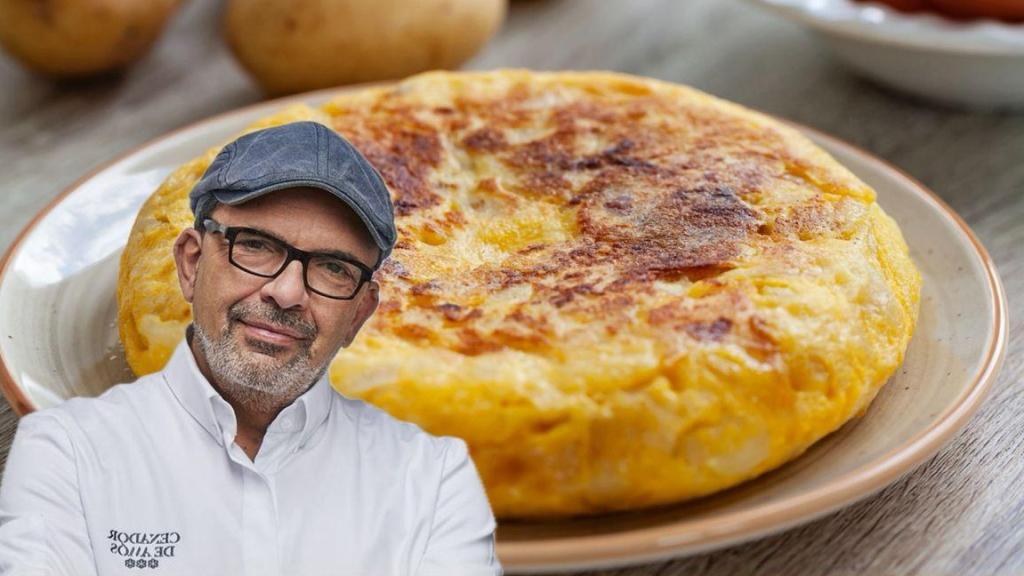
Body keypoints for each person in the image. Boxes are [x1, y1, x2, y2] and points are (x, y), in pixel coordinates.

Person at [0, 121, 502, 575]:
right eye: (254, 246)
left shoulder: (432, 479)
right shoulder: (70, 453)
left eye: (333, 268)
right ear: (190, 263)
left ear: (360, 312)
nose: (286, 293)